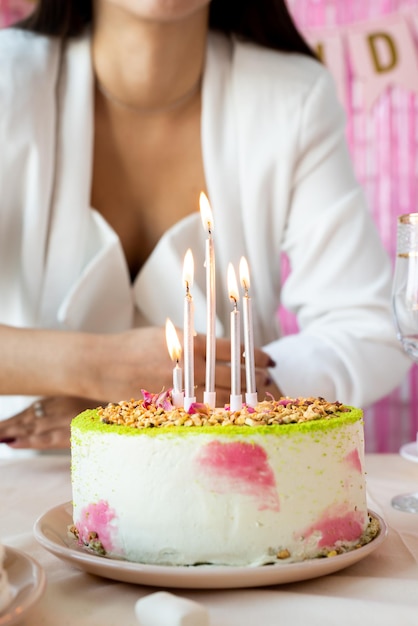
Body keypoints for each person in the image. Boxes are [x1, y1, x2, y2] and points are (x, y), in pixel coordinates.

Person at [0, 0, 411, 451]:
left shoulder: (293, 96)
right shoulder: (9, 80)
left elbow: (369, 324)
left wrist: (207, 398)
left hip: (237, 480)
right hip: (22, 479)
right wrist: (101, 367)